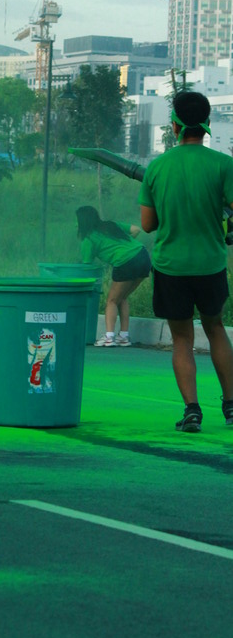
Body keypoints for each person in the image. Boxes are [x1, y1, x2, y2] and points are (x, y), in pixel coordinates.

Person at [139, 90, 233, 433]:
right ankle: (231, 406)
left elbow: (148, 224)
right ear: (206, 124)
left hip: (171, 267)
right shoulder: (224, 165)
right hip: (210, 264)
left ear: (175, 124)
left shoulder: (157, 167)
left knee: (182, 339)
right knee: (216, 327)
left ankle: (192, 410)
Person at [76, 205, 151, 347]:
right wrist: (123, 246)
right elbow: (136, 230)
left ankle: (109, 337)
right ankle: (123, 336)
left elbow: (86, 265)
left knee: (111, 300)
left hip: (125, 262)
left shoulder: (88, 239)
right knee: (122, 297)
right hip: (143, 256)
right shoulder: (111, 225)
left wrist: (120, 253)